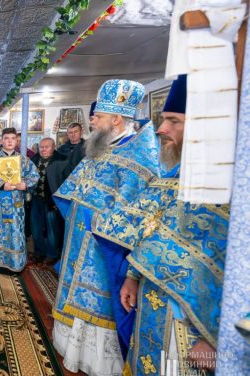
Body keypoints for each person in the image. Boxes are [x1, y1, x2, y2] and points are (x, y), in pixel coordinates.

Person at [93, 75, 227, 375]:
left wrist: (224, 342)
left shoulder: (236, 187)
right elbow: (150, 229)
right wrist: (133, 277)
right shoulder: (177, 174)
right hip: (153, 303)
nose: (160, 129)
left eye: (174, 121)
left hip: (197, 330)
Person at [51, 79, 161, 376]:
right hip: (80, 240)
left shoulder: (139, 156)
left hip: (105, 247)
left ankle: (98, 362)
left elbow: (136, 213)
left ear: (116, 119)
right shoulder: (101, 146)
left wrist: (95, 221)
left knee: (100, 301)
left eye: (98, 115)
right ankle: (71, 350)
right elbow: (76, 186)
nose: (92, 120)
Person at [0, 127, 39, 272]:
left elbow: (34, 176)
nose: (10, 141)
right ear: (2, 140)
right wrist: (1, 185)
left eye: (13, 138)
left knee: (15, 231)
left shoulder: (24, 160)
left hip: (16, 203)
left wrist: (25, 184)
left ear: (16, 140)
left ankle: (14, 262)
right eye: (7, 138)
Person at [30, 137, 67, 265]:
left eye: (47, 146)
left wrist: (60, 200)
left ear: (53, 147)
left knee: (52, 230)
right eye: (41, 147)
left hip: (51, 200)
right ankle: (39, 252)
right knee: (36, 228)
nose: (43, 149)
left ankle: (52, 254)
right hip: (35, 199)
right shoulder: (33, 159)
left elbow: (64, 182)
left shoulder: (61, 160)